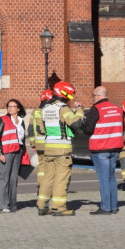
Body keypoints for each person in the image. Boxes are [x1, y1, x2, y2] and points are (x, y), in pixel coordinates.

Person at [36, 82, 84, 216]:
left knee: (48, 178)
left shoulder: (46, 108)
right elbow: (75, 124)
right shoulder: (63, 108)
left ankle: (42, 206)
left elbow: (41, 128)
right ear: (65, 94)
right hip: (62, 150)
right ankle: (59, 207)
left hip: (49, 148)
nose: (71, 98)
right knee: (61, 179)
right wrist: (80, 110)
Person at [82, 86, 124, 215]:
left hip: (101, 149)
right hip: (115, 147)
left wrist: (83, 121)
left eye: (93, 96)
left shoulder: (96, 110)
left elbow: (88, 130)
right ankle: (114, 206)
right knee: (111, 177)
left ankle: (106, 207)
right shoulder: (118, 109)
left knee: (104, 179)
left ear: (98, 96)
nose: (93, 98)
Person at [0, 98, 27, 212]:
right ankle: (2, 206)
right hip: (5, 153)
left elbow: (22, 138)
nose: (10, 108)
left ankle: (12, 205)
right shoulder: (3, 119)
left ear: (18, 109)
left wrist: (23, 151)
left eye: (13, 106)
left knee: (13, 179)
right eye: (9, 106)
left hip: (17, 152)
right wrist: (0, 153)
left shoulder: (21, 121)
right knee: (3, 179)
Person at [28, 89, 53, 203]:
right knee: (51, 168)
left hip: (39, 145)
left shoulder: (36, 112)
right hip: (51, 144)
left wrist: (33, 143)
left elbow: (31, 129)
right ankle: (48, 190)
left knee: (41, 168)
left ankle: (40, 189)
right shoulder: (52, 111)